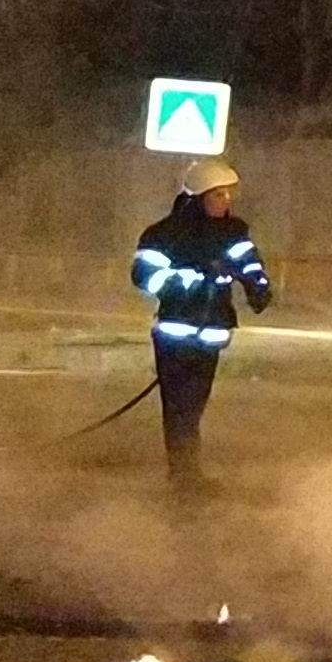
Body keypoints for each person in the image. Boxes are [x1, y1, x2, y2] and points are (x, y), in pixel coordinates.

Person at [129, 158, 271, 490]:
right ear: (198, 197)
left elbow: (249, 264)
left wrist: (259, 288)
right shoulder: (165, 235)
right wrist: (194, 275)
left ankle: (187, 472)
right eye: (218, 195)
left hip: (210, 337)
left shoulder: (233, 232)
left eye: (228, 194)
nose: (227, 201)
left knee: (194, 407)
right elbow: (144, 277)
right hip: (175, 335)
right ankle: (184, 475)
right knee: (180, 409)